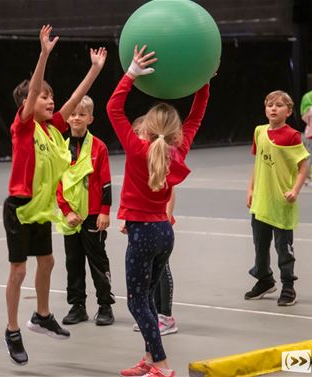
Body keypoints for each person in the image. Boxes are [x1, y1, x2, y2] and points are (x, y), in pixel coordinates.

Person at [3, 25, 107, 365]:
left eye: (51, 96)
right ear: (28, 103)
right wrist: (43, 55)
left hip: (41, 210)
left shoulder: (52, 129)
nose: (50, 100)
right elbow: (32, 90)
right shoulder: (23, 127)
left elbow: (76, 100)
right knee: (18, 272)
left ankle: (42, 316)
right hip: (19, 208)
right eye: (44, 96)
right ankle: (12, 329)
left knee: (47, 261)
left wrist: (93, 71)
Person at [107, 45, 210, 377]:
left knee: (137, 302)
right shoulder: (178, 151)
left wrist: (132, 73)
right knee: (148, 298)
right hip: (164, 233)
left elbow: (113, 108)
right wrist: (202, 80)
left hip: (143, 233)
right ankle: (150, 359)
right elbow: (196, 115)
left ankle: (163, 365)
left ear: (146, 128)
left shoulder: (137, 149)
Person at [245, 90, 309, 307]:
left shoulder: (292, 136)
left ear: (289, 111)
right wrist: (250, 189)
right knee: (260, 246)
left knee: (284, 249)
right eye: (269, 104)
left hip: (282, 203)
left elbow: (303, 167)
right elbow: (257, 165)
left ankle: (288, 287)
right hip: (261, 201)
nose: (273, 108)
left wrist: (295, 191)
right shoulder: (259, 132)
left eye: (279, 105)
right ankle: (264, 280)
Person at [55, 95, 115, 326]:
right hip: (70, 218)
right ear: (67, 118)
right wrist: (66, 210)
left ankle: (105, 305)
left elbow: (105, 181)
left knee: (97, 261)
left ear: (90, 118)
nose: (76, 118)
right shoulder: (60, 147)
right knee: (73, 262)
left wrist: (104, 211)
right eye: (72, 114)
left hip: (92, 216)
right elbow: (57, 182)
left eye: (82, 114)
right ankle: (77, 305)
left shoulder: (98, 147)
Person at [128, 117, 177, 336]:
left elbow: (170, 190)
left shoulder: (162, 155)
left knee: (162, 269)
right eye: (136, 133)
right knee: (146, 274)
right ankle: (151, 314)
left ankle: (166, 317)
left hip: (159, 223)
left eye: (141, 133)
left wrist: (166, 216)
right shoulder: (141, 159)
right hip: (143, 222)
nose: (138, 137)